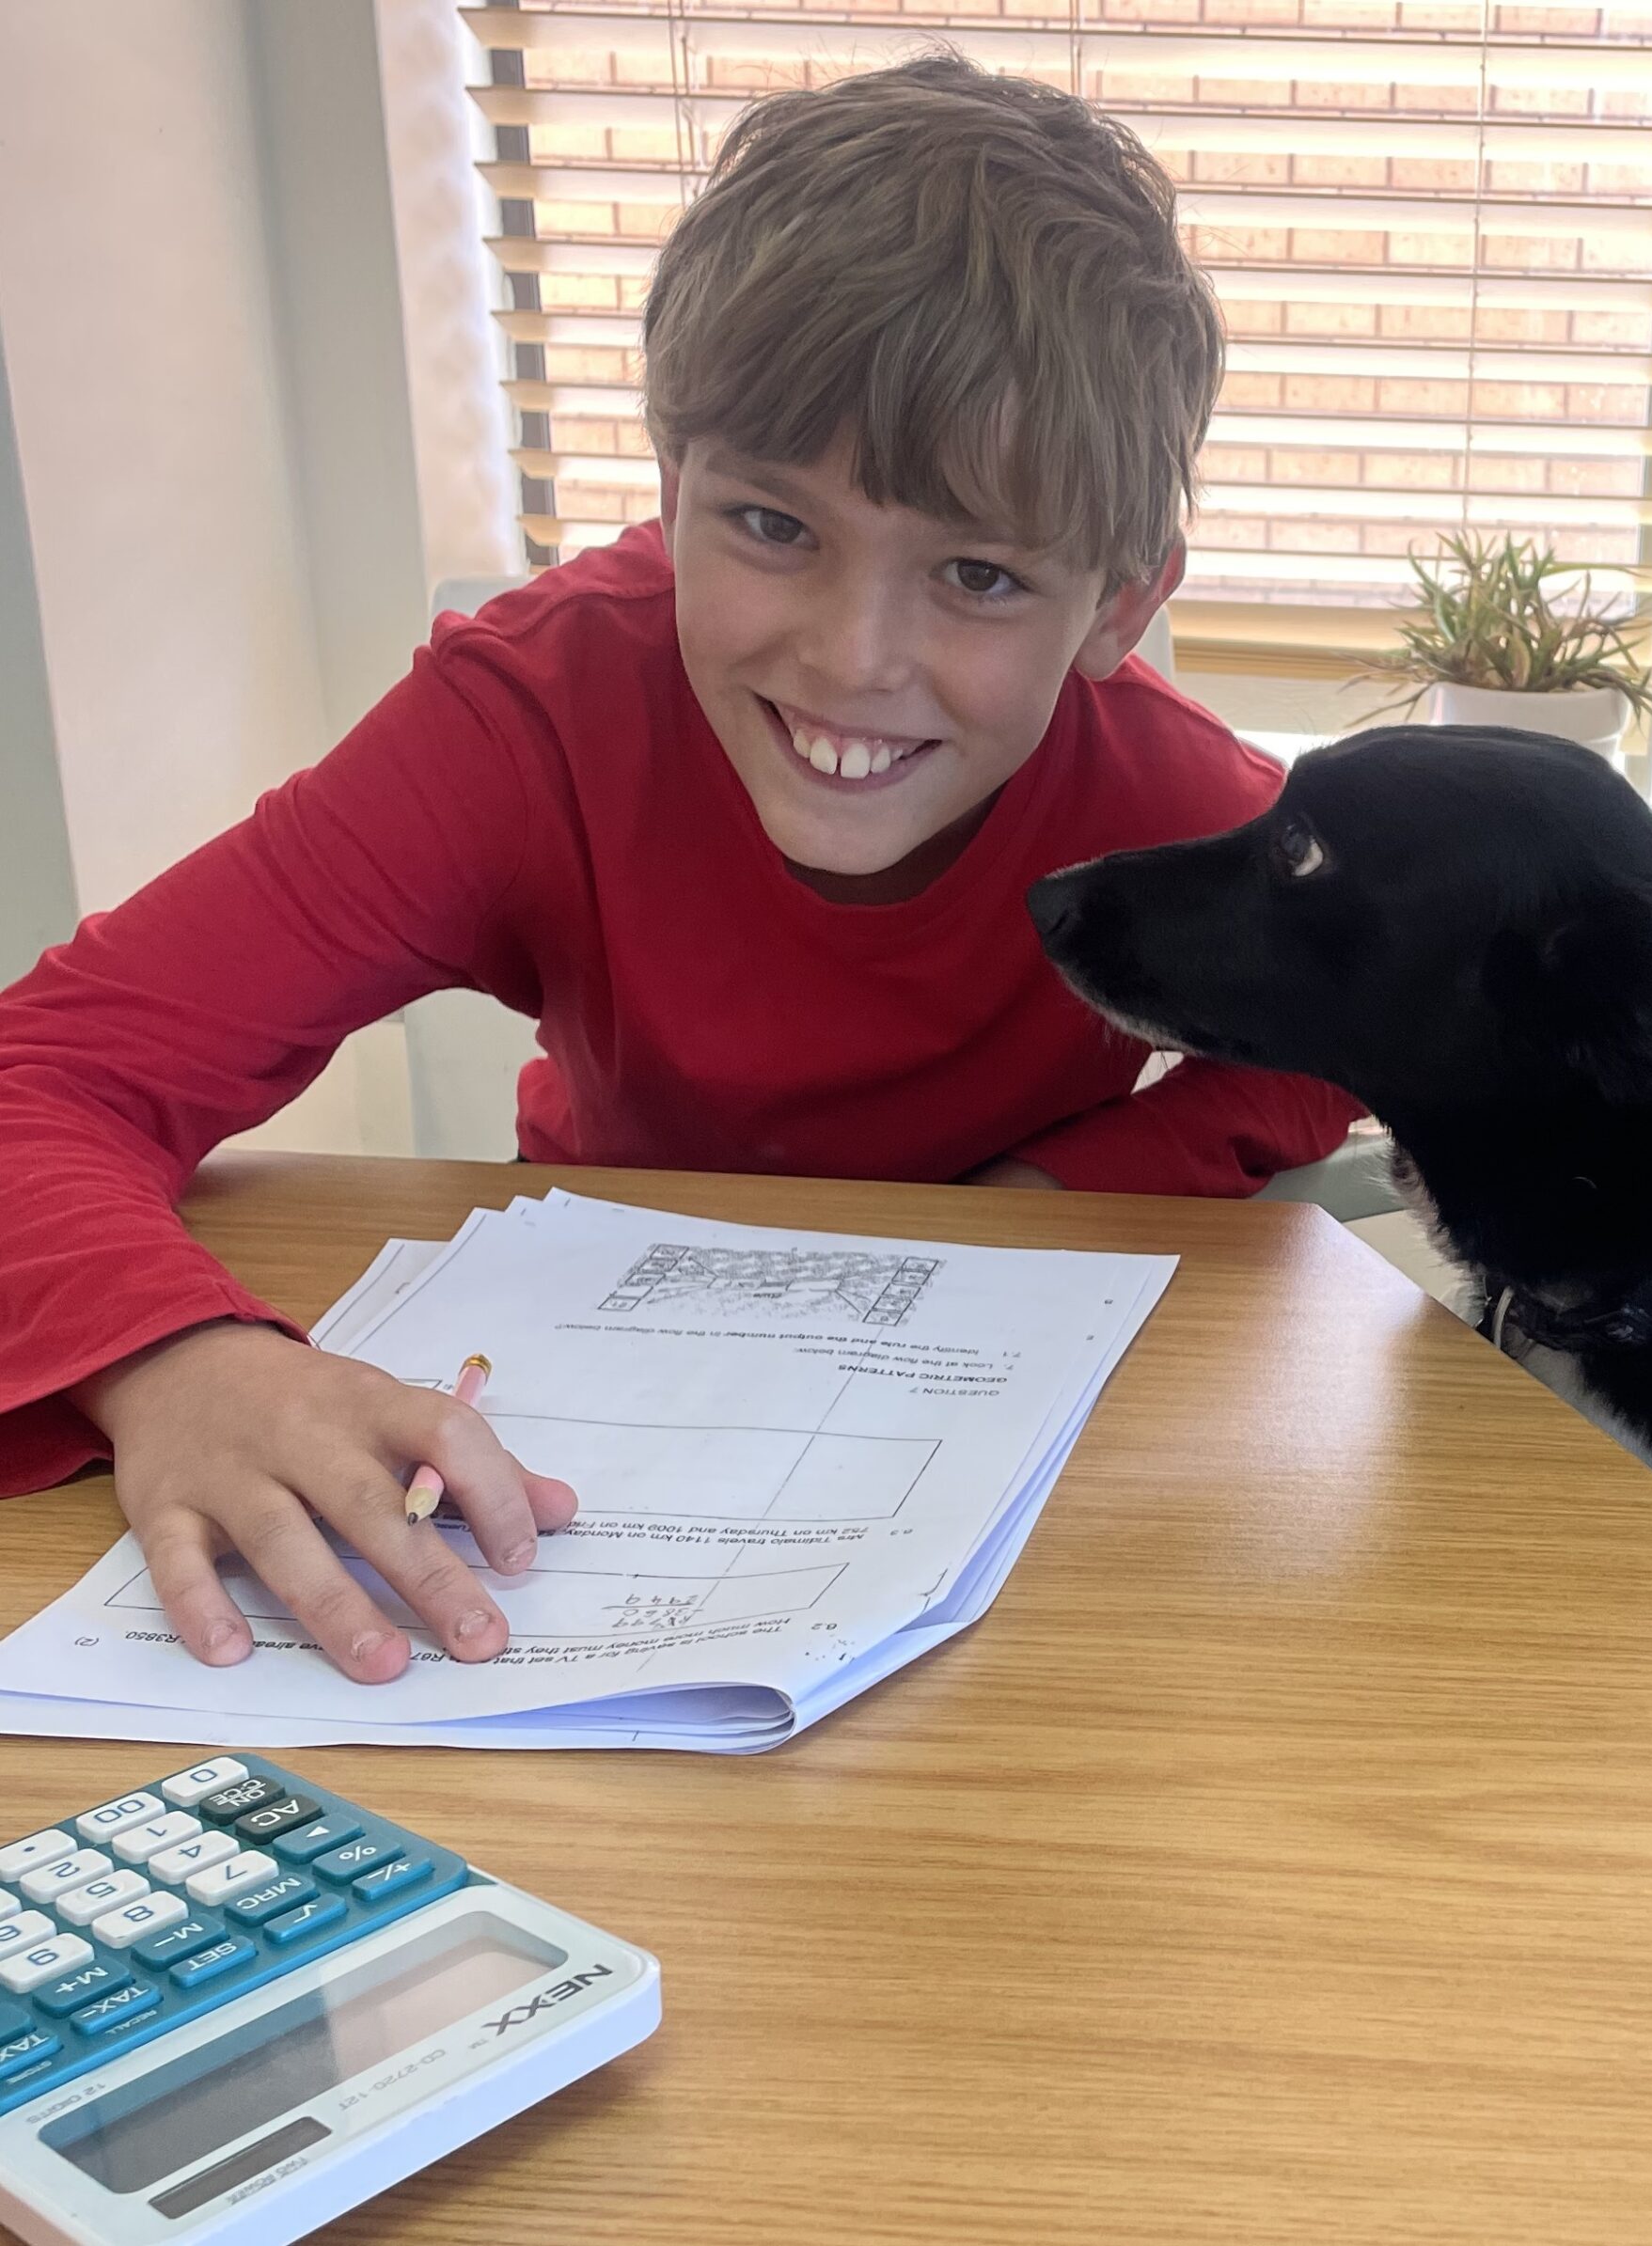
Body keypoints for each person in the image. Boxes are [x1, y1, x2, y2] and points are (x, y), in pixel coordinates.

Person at [0, 56, 1355, 1684]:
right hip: (591, 1442)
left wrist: (1049, 1201)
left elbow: (1324, 1042)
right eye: (772, 526)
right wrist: (179, 1356)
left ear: (1121, 605)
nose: (854, 659)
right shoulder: (525, 721)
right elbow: (46, 1072)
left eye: (980, 573)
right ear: (668, 482)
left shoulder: (1177, 795)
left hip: (1007, 1450)